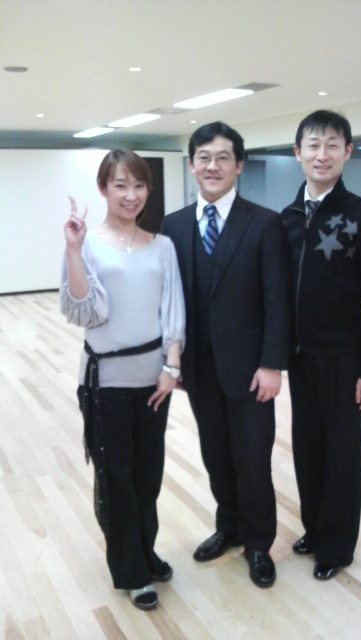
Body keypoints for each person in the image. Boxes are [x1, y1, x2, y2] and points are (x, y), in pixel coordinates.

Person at [162, 122, 290, 588]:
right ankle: (229, 526)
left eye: (222, 157)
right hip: (198, 369)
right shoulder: (174, 226)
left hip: (251, 369)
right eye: (203, 157)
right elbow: (170, 301)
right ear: (192, 165)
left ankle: (258, 543)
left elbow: (278, 300)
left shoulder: (265, 223)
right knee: (216, 454)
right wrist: (173, 361)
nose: (212, 166)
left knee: (253, 460)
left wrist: (272, 364)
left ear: (239, 165)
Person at [60, 150, 185, 610]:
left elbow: (173, 310)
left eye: (139, 185)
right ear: (103, 189)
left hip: (153, 381)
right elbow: (83, 310)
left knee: (148, 477)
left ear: (148, 190)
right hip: (105, 383)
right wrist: (74, 250)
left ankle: (145, 552)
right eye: (120, 185)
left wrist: (172, 368)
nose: (131, 195)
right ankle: (131, 572)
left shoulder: (162, 246)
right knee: (118, 479)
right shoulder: (87, 243)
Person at [280, 110, 361, 580]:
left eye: (331, 145)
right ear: (297, 153)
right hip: (300, 359)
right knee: (308, 450)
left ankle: (336, 546)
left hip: (345, 360)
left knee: (342, 456)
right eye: (312, 145)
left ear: (348, 152)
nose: (321, 154)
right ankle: (314, 528)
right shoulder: (286, 220)